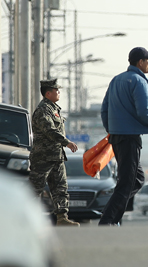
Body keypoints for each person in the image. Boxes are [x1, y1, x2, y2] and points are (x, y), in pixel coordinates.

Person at [99, 47, 148, 226]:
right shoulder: (139, 81)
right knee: (126, 183)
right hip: (129, 138)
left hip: (117, 137)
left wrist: (111, 128)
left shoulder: (116, 80)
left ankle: (114, 217)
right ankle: (107, 221)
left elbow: (104, 110)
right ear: (140, 62)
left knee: (137, 179)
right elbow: (144, 111)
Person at [29, 78, 80, 226]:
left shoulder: (54, 109)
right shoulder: (42, 110)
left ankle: (62, 218)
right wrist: (67, 142)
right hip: (42, 158)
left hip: (56, 156)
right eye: (56, 90)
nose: (59, 92)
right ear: (48, 93)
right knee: (35, 189)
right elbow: (50, 130)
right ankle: (28, 219)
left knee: (60, 188)